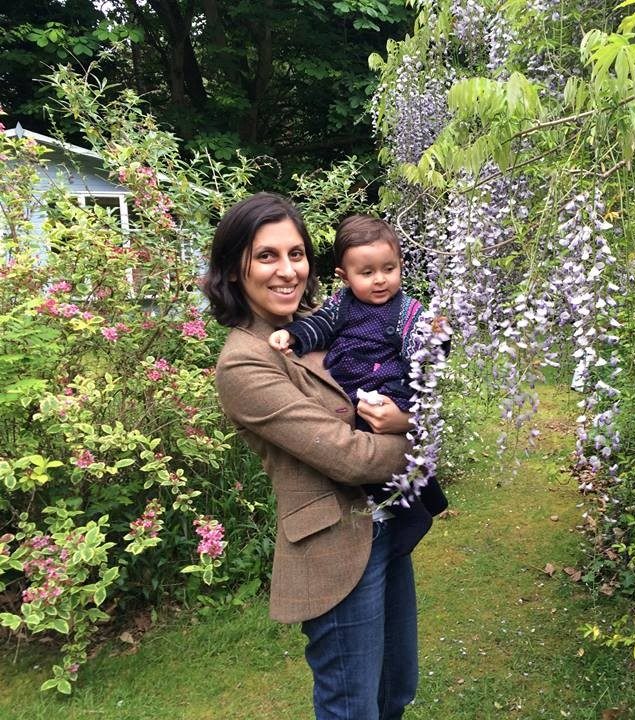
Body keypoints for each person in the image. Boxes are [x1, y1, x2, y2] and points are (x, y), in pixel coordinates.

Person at [204, 192, 423, 720]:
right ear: (235, 270)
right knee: (352, 708)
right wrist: (416, 434)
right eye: (267, 256)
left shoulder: (327, 321)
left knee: (395, 691)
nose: (287, 271)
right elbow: (347, 456)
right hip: (333, 548)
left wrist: (412, 414)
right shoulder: (245, 364)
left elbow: (410, 377)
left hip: (385, 524)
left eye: (296, 254)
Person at [267, 215, 448, 557]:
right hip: (352, 389)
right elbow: (317, 327)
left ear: (401, 266)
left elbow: (423, 353)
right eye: (367, 273)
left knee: (376, 452)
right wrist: (292, 335)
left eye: (389, 269)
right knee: (373, 451)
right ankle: (425, 503)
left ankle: (413, 515)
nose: (380, 280)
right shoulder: (341, 306)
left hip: (391, 387)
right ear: (344, 276)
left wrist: (438, 339)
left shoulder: (408, 310)